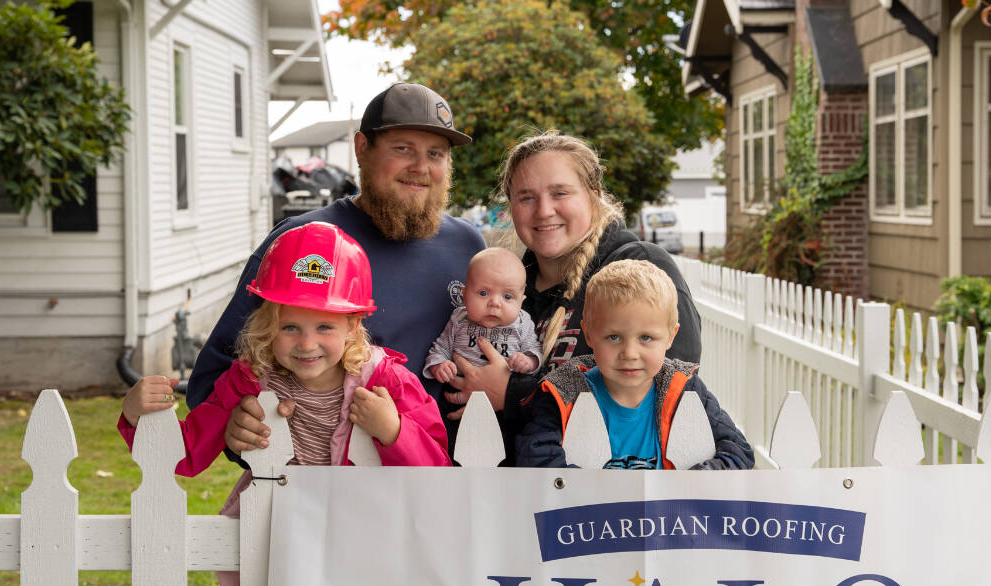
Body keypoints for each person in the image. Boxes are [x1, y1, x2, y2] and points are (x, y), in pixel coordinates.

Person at [118, 221, 452, 586]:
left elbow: (438, 478)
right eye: (289, 326)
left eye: (326, 325)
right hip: (279, 550)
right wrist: (138, 416)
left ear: (354, 324)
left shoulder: (387, 380)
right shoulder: (247, 380)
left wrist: (393, 430)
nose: (306, 342)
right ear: (266, 325)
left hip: (371, 560)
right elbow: (185, 457)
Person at [187, 83, 486, 455]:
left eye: (436, 154)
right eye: (402, 149)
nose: (421, 168)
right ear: (362, 149)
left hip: (450, 475)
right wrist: (240, 424)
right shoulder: (301, 242)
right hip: (318, 484)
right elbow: (214, 381)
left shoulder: (469, 248)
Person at [444, 131, 703, 449]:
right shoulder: (508, 290)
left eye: (560, 193)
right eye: (526, 197)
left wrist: (512, 394)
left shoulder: (638, 268)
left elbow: (666, 393)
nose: (543, 210)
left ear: (593, 194)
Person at [515, 259, 752, 470]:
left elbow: (738, 451)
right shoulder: (563, 392)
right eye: (614, 337)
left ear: (671, 336)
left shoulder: (684, 389)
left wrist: (693, 482)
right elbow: (535, 457)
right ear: (588, 334)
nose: (629, 353)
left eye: (646, 338)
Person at [423, 247, 541, 382]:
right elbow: (441, 349)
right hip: (460, 391)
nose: (495, 303)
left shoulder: (522, 322)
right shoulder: (459, 318)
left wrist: (529, 362)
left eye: (507, 296)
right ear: (464, 295)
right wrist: (439, 366)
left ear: (521, 302)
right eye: (483, 293)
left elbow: (534, 350)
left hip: (507, 394)